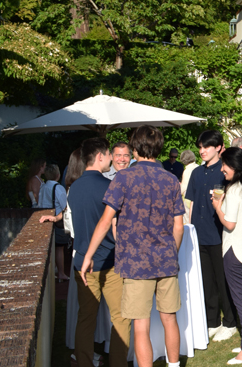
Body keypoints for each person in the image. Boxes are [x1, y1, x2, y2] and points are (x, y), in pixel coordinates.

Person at [81, 125, 185, 367]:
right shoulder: (171, 179)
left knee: (140, 324)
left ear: (135, 149)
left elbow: (105, 221)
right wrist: (171, 253)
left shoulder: (124, 178)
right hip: (165, 259)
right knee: (170, 319)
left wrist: (88, 256)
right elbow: (178, 227)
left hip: (136, 262)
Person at [64, 137, 132, 367]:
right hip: (109, 261)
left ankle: (84, 362)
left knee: (86, 318)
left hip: (82, 261)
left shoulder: (73, 188)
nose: (113, 158)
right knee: (121, 318)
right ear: (101, 156)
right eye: (110, 154)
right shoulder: (109, 187)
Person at [211, 148, 242, 364]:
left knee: (241, 298)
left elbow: (229, 223)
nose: (222, 169)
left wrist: (217, 206)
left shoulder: (233, 190)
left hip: (233, 250)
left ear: (235, 165)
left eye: (225, 164)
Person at [187, 130, 238, 342]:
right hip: (199, 235)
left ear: (218, 147)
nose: (202, 151)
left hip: (220, 234)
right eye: (200, 147)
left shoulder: (225, 172)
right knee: (206, 282)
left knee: (223, 280)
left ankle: (230, 322)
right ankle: (212, 321)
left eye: (206, 146)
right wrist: (190, 229)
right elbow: (191, 203)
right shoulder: (196, 173)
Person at [38, 164, 70, 279]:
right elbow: (65, 206)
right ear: (58, 175)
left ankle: (51, 273)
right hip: (56, 220)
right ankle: (61, 273)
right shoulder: (58, 188)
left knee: (49, 248)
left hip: (44, 219)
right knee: (59, 248)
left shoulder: (42, 187)